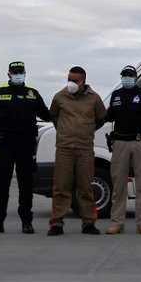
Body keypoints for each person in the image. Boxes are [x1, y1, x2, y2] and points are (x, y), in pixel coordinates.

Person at [0, 61, 52, 234]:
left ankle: (26, 222)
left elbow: (46, 114)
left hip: (26, 145)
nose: (18, 74)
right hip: (6, 144)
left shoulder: (33, 94)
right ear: (9, 75)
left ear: (25, 73)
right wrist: (3, 124)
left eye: (21, 72)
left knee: (26, 185)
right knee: (2, 185)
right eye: (15, 72)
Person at [104, 64, 141, 235]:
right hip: (120, 143)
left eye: (129, 76)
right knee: (118, 184)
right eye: (124, 76)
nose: (126, 78)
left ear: (136, 78)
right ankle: (117, 222)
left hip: (140, 143)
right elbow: (109, 116)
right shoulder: (116, 96)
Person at [47, 66, 106, 236]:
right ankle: (57, 223)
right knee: (61, 187)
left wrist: (88, 131)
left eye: (74, 81)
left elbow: (101, 118)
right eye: (69, 79)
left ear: (83, 82)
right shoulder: (60, 97)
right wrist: (64, 132)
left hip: (85, 148)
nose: (70, 83)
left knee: (86, 187)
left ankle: (88, 223)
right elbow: (54, 116)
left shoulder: (94, 98)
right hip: (64, 148)